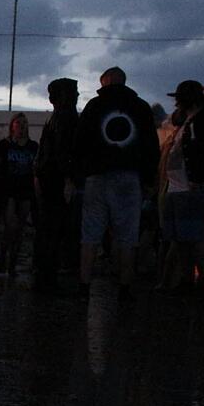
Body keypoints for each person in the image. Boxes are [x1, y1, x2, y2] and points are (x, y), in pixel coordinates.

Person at [73, 66, 160, 303]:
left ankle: (84, 285)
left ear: (106, 82)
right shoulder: (140, 107)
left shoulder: (94, 106)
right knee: (127, 236)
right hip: (129, 178)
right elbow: (151, 146)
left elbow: (79, 142)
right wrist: (149, 179)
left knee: (90, 234)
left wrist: (80, 175)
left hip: (97, 177)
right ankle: (124, 288)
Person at [160, 79, 204, 293]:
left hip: (190, 188)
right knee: (182, 238)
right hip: (179, 188)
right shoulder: (190, 121)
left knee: (194, 237)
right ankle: (187, 280)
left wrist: (199, 179)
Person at [33, 77, 79, 292]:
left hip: (48, 180)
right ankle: (50, 276)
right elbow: (63, 152)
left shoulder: (55, 119)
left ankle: (44, 274)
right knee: (58, 229)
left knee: (48, 230)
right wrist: (69, 178)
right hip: (57, 181)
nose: (77, 95)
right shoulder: (67, 118)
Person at [0, 112, 38, 277]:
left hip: (25, 191)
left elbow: (37, 170)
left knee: (20, 228)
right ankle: (3, 257)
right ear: (12, 126)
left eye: (24, 123)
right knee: (10, 226)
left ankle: (12, 262)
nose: (21, 126)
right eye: (18, 123)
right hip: (8, 190)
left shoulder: (33, 147)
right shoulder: (4, 145)